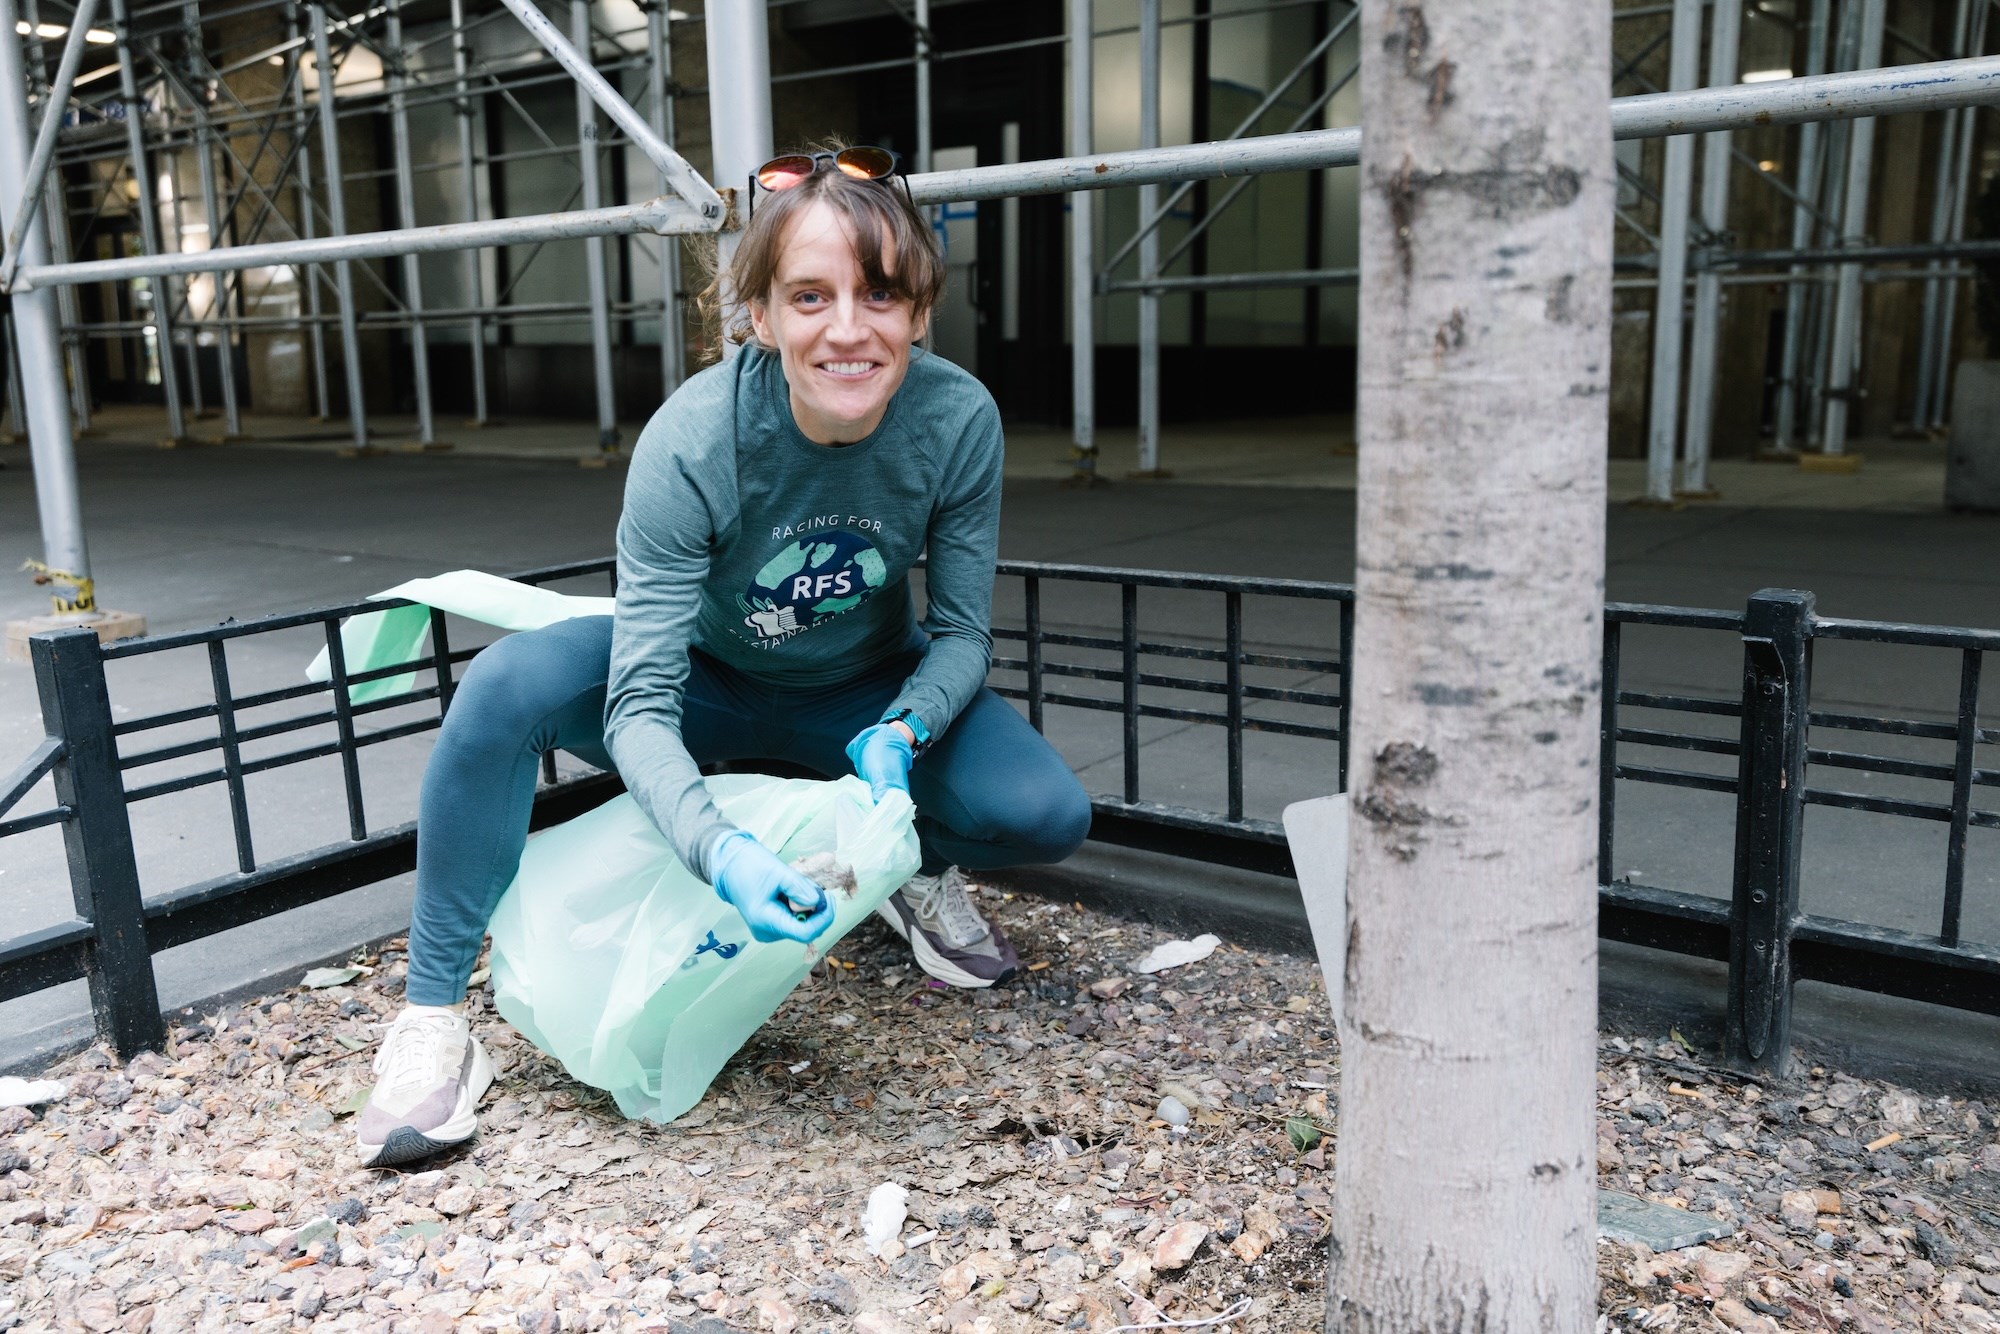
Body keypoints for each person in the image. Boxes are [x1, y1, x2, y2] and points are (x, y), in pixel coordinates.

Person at [354, 146, 1093, 1168]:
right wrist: (721, 850)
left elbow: (963, 632)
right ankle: (432, 1017)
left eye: (879, 294)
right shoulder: (695, 436)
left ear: (919, 311)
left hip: (861, 694)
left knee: (1047, 812)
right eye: (808, 295)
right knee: (507, 684)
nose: (847, 327)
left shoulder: (957, 417)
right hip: (710, 685)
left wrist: (907, 727)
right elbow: (640, 707)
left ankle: (899, 866)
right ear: (759, 315)